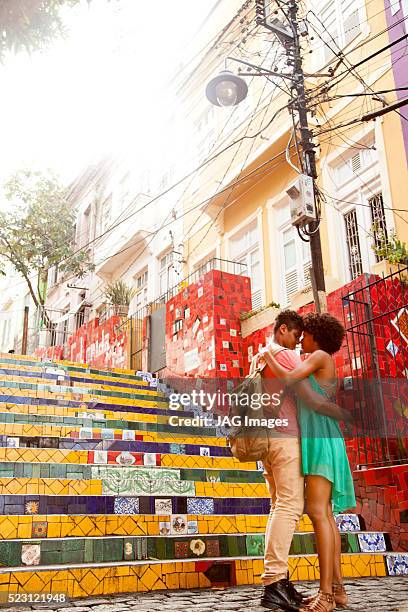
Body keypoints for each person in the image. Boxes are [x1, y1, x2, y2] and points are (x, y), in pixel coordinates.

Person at [257, 310, 351, 612]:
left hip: (319, 439)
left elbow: (306, 395)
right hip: (311, 438)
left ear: (315, 336)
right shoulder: (312, 358)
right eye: (297, 335)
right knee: (322, 512)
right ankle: (336, 590)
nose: (300, 342)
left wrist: (266, 354)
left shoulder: (319, 356)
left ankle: (327, 594)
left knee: (318, 512)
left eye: (304, 335)